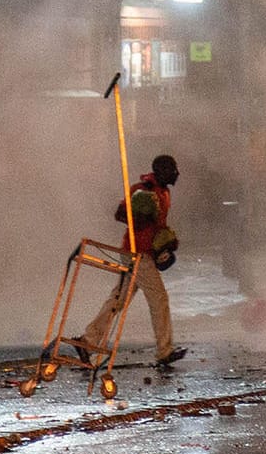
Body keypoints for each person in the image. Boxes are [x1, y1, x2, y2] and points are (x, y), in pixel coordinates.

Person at [74, 154, 187, 366]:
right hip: (137, 254)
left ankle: (87, 342)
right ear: (162, 171)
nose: (176, 174)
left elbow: (158, 226)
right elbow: (119, 214)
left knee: (118, 300)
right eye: (172, 169)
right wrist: (138, 218)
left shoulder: (163, 192)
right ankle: (164, 350)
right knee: (159, 299)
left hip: (141, 253)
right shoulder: (142, 190)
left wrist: (167, 242)